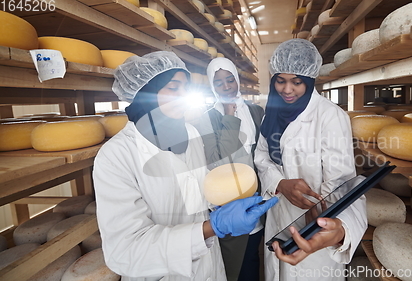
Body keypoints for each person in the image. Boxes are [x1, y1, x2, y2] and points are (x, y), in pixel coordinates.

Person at [92, 51, 278, 281]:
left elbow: (197, 194)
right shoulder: (116, 156)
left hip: (210, 267)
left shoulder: (189, 134)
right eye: (173, 88)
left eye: (185, 88)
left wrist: (224, 204)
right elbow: (126, 252)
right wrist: (213, 227)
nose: (183, 95)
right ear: (146, 93)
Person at [254, 39, 367, 280]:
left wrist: (321, 208)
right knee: (278, 270)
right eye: (280, 81)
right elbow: (262, 156)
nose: (287, 90)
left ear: (308, 80)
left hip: (315, 221)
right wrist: (280, 184)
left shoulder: (330, 116)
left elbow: (341, 180)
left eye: (296, 82)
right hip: (278, 214)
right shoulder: (271, 113)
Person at [191, 57, 265, 281]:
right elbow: (218, 162)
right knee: (234, 265)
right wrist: (229, 116)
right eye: (219, 83)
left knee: (252, 256)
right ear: (212, 87)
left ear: (237, 80)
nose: (226, 87)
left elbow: (262, 154)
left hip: (255, 197)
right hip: (228, 202)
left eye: (230, 80)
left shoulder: (254, 112)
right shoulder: (205, 119)